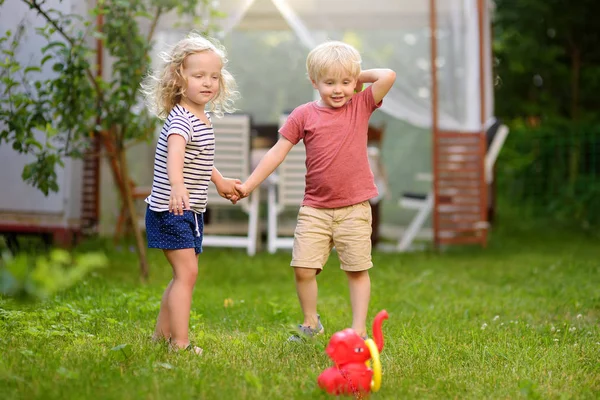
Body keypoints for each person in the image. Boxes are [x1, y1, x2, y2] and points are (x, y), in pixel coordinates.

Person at [235, 41, 396, 339]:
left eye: (346, 82)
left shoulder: (360, 104)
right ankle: (311, 323)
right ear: (314, 81)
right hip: (315, 208)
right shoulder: (303, 115)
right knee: (303, 269)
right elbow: (276, 152)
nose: (338, 90)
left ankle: (359, 329)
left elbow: (387, 75)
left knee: (357, 269)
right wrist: (248, 184)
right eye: (330, 82)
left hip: (355, 207)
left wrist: (355, 76)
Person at [140, 32, 241, 354]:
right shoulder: (182, 119)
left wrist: (219, 181)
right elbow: (175, 156)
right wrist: (178, 186)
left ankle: (160, 337)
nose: (208, 82)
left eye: (214, 76)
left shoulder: (202, 116)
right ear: (179, 78)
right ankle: (179, 344)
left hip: (188, 209)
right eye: (199, 76)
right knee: (187, 273)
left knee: (182, 274)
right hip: (171, 208)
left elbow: (199, 158)